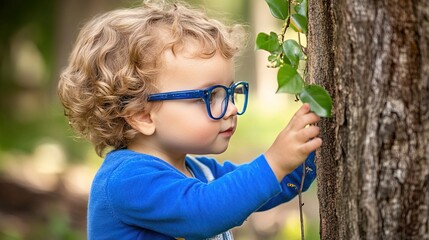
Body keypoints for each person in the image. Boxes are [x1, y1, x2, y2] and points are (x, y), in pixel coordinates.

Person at [57, 1, 322, 239]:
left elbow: (258, 190)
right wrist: (274, 161)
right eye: (208, 96)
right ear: (142, 115)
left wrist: (310, 149)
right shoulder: (126, 180)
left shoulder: (200, 171)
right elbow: (203, 211)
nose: (230, 108)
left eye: (229, 91)